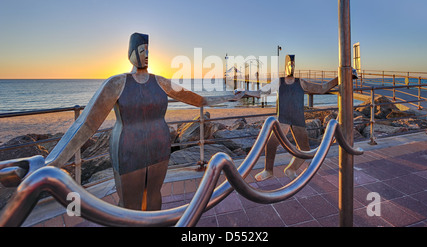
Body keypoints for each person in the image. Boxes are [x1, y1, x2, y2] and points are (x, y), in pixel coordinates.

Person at [43, 33, 244, 211]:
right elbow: (87, 124)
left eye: (148, 50)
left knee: (155, 196)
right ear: (130, 53)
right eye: (141, 50)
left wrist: (231, 97)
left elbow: (199, 100)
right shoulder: (117, 83)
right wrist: (53, 162)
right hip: (128, 150)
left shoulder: (161, 81)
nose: (146, 54)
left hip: (159, 148)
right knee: (129, 204)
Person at [242, 54, 353, 181]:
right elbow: (261, 93)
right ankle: (268, 170)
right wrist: (245, 92)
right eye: (290, 64)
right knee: (271, 143)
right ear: (286, 66)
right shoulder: (279, 81)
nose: (292, 67)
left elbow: (322, 89)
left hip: (298, 119)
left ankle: (291, 169)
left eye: (293, 65)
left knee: (304, 149)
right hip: (283, 119)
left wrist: (341, 77)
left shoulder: (301, 82)